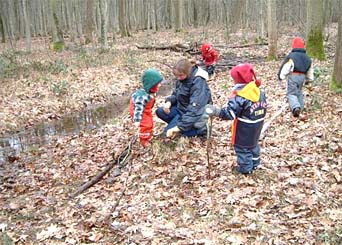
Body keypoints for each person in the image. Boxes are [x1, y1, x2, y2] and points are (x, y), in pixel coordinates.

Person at [204, 63, 267, 175]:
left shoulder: (240, 97)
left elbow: (230, 113)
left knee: (242, 148)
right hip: (257, 124)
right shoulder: (258, 91)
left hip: (244, 128)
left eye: (234, 79)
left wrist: (216, 111)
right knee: (253, 145)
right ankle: (255, 164)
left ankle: (245, 169)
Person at [156, 59, 212, 139]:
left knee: (167, 135)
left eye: (180, 75)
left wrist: (179, 127)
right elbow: (177, 94)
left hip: (195, 115)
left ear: (188, 72)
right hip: (182, 109)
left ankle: (200, 130)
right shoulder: (182, 79)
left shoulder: (198, 82)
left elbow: (195, 109)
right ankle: (184, 128)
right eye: (177, 76)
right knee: (161, 111)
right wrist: (169, 101)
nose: (178, 78)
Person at [278, 37, 314, 117]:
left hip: (293, 75)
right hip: (302, 77)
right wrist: (309, 80)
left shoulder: (291, 56)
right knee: (299, 92)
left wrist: (281, 76)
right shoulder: (307, 58)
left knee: (291, 93)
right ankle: (300, 108)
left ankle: (295, 107)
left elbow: (286, 67)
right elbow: (310, 70)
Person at [130, 69, 163, 147]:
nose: (160, 85)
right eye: (158, 84)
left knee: (150, 121)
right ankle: (143, 140)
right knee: (146, 124)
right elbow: (138, 108)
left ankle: (149, 135)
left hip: (146, 110)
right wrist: (137, 119)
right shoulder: (142, 97)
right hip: (139, 112)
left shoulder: (150, 92)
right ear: (151, 85)